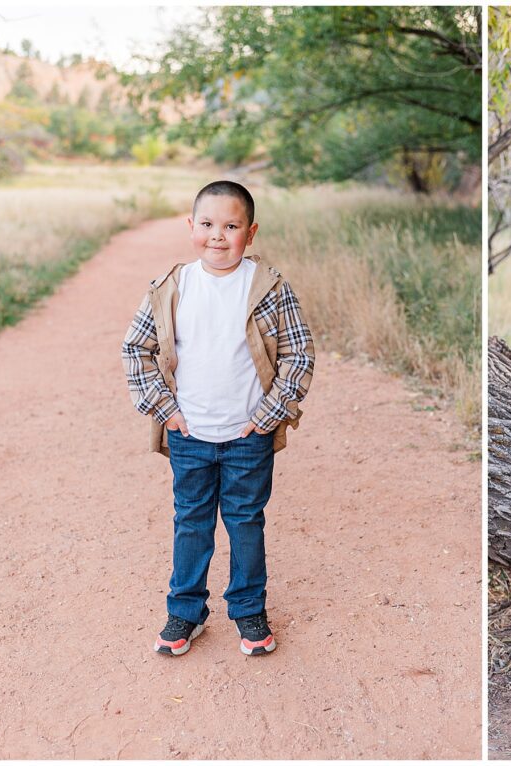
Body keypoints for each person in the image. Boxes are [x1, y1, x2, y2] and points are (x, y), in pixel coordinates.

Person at [122, 180, 315, 657]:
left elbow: (298, 352)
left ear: (250, 233)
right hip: (190, 433)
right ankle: (186, 611)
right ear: (192, 227)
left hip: (248, 433)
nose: (218, 236)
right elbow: (136, 349)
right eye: (207, 225)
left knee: (246, 520)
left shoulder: (268, 287)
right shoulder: (172, 287)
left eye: (230, 226)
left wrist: (269, 415)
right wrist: (165, 410)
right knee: (191, 521)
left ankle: (248, 607)